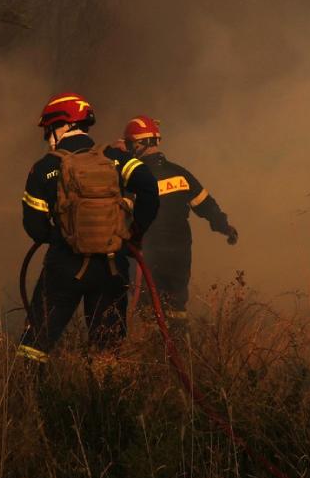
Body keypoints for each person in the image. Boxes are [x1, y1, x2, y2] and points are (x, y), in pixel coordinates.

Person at [17, 93, 160, 363]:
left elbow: (34, 226)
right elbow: (149, 190)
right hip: (112, 266)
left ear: (61, 126)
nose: (48, 137)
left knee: (34, 346)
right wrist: (133, 234)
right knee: (108, 351)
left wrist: (62, 238)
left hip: (64, 267)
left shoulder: (43, 167)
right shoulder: (116, 157)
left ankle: (30, 398)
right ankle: (105, 400)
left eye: (48, 130)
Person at [122, 115, 238, 323]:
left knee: (148, 308)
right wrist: (224, 226)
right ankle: (180, 348)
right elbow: (206, 205)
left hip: (147, 255)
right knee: (176, 307)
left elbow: (121, 214)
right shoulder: (180, 173)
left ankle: (153, 351)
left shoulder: (134, 179)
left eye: (130, 144)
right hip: (180, 253)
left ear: (139, 145)